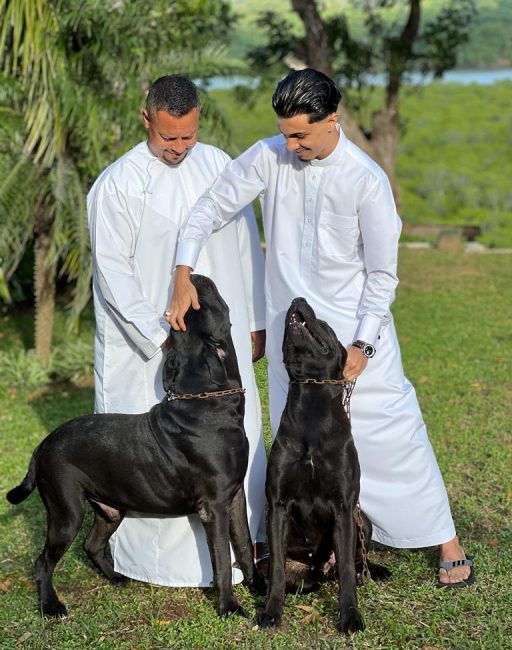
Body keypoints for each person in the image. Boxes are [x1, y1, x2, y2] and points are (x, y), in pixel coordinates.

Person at [168, 68, 474, 588]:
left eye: (300, 135)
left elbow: (382, 276)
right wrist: (182, 270)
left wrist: (364, 344)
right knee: (296, 444)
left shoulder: (366, 180)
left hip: (353, 338)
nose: (290, 146)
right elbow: (209, 208)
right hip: (291, 340)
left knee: (393, 433)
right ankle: (305, 541)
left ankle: (445, 539)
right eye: (284, 134)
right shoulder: (270, 156)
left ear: (332, 120)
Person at [87, 74, 267, 587]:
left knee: (232, 440)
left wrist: (253, 322)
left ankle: (242, 551)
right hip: (149, 345)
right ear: (146, 119)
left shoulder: (218, 165)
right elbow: (112, 272)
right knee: (151, 453)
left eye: (188, 135)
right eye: (169, 137)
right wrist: (163, 338)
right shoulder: (118, 184)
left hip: (221, 342)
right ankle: (151, 562)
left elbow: (245, 243)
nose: (179, 147)